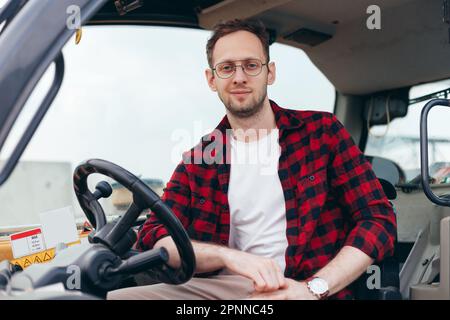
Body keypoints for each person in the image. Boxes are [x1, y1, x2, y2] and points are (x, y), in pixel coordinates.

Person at [108, 19, 397, 300]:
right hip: (222, 289)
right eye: (227, 67)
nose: (239, 77)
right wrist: (228, 257)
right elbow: (155, 238)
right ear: (212, 79)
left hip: (300, 288)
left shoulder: (322, 133)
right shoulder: (198, 161)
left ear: (269, 73)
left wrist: (314, 288)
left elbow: (378, 219)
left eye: (251, 65)